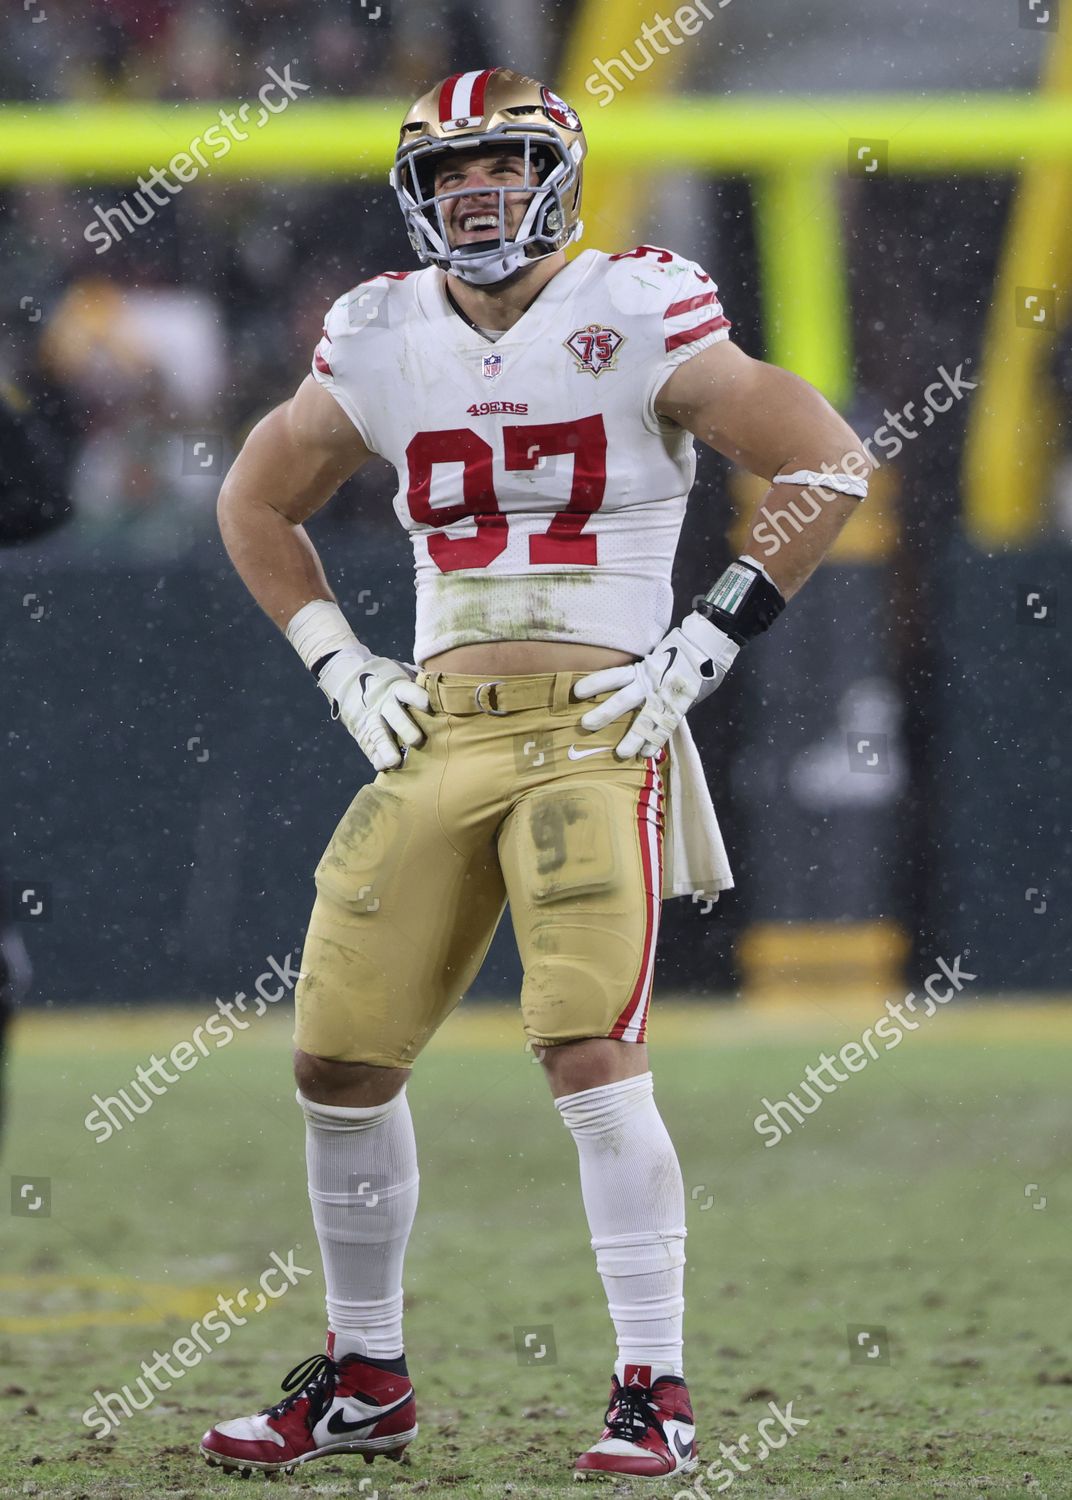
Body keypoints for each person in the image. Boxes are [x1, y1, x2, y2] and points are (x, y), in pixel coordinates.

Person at [201, 68, 869, 1481]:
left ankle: (655, 1389)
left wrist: (707, 637)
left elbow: (825, 463)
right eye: (446, 173)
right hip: (437, 727)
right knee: (335, 1058)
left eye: (500, 162)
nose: (474, 193)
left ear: (557, 174)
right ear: (413, 194)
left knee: (585, 1046)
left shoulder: (636, 308)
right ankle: (368, 1375)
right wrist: (337, 658)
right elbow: (253, 496)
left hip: (594, 722)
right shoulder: (378, 335)